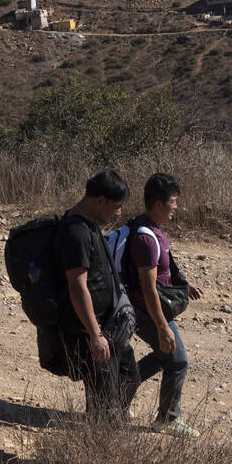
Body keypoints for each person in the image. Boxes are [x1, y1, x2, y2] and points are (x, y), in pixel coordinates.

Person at [56, 169, 139, 419]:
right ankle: (101, 440)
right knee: (103, 398)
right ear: (99, 200)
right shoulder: (76, 233)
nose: (119, 212)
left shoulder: (89, 224)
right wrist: (95, 335)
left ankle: (107, 430)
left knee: (129, 376)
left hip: (109, 327)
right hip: (91, 330)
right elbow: (77, 286)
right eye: (116, 206)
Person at [126, 173, 204, 437]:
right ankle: (168, 419)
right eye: (173, 201)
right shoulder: (146, 239)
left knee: (163, 357)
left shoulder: (149, 229)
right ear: (158, 204)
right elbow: (148, 288)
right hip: (149, 310)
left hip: (148, 307)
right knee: (178, 361)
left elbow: (161, 273)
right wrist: (162, 326)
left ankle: (116, 395)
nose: (176, 207)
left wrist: (183, 284)